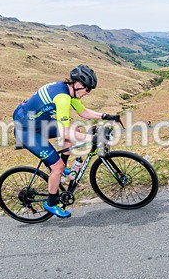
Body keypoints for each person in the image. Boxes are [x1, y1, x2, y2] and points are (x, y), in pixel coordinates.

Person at [13, 65, 120, 218]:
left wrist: (105, 116)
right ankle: (50, 203)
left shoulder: (68, 91)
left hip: (37, 122)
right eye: (87, 90)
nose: (87, 93)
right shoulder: (62, 98)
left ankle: (62, 171)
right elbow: (64, 132)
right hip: (26, 130)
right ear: (77, 84)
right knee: (57, 166)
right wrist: (94, 138)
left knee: (74, 133)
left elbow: (83, 112)